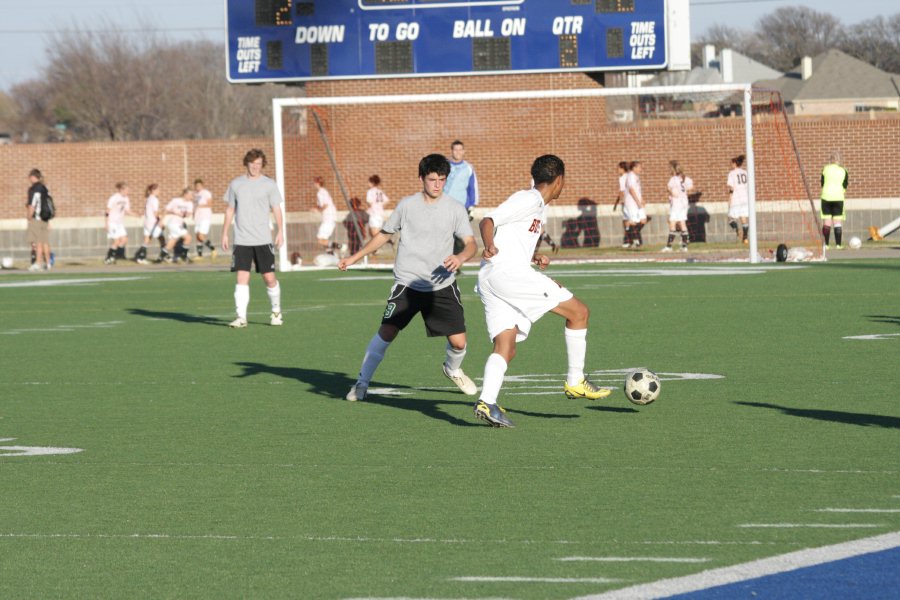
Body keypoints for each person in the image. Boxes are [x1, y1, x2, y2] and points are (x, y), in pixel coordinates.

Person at [473, 155, 611, 428]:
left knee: (506, 346)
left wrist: (534, 256)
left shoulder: (538, 207)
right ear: (559, 180)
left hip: (492, 277)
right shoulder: (529, 199)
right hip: (507, 274)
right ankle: (575, 380)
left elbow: (514, 236)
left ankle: (486, 402)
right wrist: (488, 245)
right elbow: (487, 220)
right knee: (579, 313)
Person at [338, 153, 478, 402]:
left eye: (442, 180)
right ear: (421, 178)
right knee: (387, 331)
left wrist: (460, 258)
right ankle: (361, 383)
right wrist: (354, 258)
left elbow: (470, 244)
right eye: (432, 179)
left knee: (459, 343)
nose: (437, 185)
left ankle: (452, 369)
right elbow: (383, 235)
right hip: (408, 283)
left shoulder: (455, 208)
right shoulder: (407, 205)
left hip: (441, 285)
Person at [221, 149, 285, 328]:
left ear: (262, 165)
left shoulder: (269, 184)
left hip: (263, 239)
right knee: (242, 278)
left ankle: (276, 311)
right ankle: (241, 317)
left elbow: (276, 209)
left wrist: (280, 231)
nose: (255, 167)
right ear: (246, 164)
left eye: (258, 164)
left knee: (269, 278)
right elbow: (230, 210)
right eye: (252, 164)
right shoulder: (236, 184)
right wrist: (225, 232)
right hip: (242, 239)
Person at [445, 140, 478, 255]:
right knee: (445, 236)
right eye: (455, 149)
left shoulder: (468, 168)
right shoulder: (445, 166)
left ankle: (455, 263)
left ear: (463, 151)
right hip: (445, 206)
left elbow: (472, 187)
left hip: (461, 207)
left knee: (460, 237)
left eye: (460, 150)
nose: (458, 152)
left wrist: (472, 206)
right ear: (452, 151)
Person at [663, 161, 694, 252]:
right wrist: (683, 193)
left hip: (676, 203)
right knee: (682, 223)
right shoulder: (685, 178)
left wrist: (672, 192)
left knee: (672, 223)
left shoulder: (673, 179)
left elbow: (668, 188)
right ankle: (684, 246)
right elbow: (690, 188)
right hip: (684, 203)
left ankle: (669, 246)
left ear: (673, 169)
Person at [820, 151, 849, 249]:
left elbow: (822, 183)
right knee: (837, 222)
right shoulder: (844, 170)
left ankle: (826, 245)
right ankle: (838, 245)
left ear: (830, 160)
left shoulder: (825, 169)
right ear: (839, 160)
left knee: (827, 221)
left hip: (826, 197)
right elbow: (845, 185)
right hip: (838, 197)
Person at [26, 168, 52, 272]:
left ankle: (38, 263)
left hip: (37, 218)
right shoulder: (44, 188)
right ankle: (48, 263)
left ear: (33, 177)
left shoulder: (34, 189)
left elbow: (33, 203)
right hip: (45, 218)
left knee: (37, 242)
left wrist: (29, 216)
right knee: (45, 241)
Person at [105, 182, 135, 264]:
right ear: (122, 190)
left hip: (119, 223)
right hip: (112, 222)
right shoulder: (114, 198)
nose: (128, 192)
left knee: (124, 240)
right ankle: (109, 257)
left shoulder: (126, 199)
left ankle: (115, 255)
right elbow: (107, 210)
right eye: (127, 190)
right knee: (117, 241)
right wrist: (106, 223)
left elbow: (127, 210)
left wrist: (136, 215)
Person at [162, 188, 195, 263]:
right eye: (190, 195)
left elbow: (189, 213)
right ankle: (183, 255)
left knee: (172, 241)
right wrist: (162, 220)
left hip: (180, 224)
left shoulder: (190, 203)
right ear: (185, 194)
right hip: (173, 223)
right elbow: (166, 209)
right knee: (188, 238)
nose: (191, 196)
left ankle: (162, 256)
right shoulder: (176, 201)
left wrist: (186, 214)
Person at [135, 183, 164, 264]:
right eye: (158, 189)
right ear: (153, 190)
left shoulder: (149, 198)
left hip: (147, 222)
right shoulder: (154, 199)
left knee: (147, 240)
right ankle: (164, 256)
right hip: (153, 223)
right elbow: (155, 213)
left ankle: (140, 257)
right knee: (162, 238)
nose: (159, 191)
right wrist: (160, 221)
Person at [623, 161, 647, 248]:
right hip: (631, 203)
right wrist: (637, 201)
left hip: (638, 202)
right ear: (634, 168)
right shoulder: (630, 176)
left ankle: (630, 237)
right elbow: (631, 190)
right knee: (633, 222)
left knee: (644, 220)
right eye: (640, 167)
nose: (641, 169)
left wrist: (642, 199)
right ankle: (635, 241)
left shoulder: (636, 176)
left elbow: (637, 190)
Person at [727, 155, 749, 244]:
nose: (731, 165)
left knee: (730, 218)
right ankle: (745, 238)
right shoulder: (745, 173)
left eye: (732, 163)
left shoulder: (732, 173)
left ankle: (737, 229)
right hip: (745, 199)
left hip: (736, 198)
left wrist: (730, 198)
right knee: (743, 218)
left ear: (735, 163)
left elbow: (731, 188)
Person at [313, 176, 339, 253]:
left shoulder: (320, 192)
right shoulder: (324, 191)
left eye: (315, 182)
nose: (314, 184)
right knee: (324, 239)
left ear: (317, 183)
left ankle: (340, 246)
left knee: (320, 239)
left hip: (328, 218)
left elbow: (325, 205)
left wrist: (317, 210)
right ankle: (330, 253)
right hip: (330, 218)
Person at [193, 178, 217, 258]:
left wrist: (200, 206)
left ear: (202, 185)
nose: (197, 187)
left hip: (205, 217)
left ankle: (213, 249)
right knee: (197, 236)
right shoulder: (195, 194)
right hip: (198, 217)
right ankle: (200, 255)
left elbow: (210, 204)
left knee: (201, 236)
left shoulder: (206, 193)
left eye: (199, 185)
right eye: (196, 186)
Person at [365, 174, 390, 241]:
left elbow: (369, 202)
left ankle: (388, 241)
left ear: (372, 183)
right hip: (380, 214)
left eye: (368, 182)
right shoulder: (380, 191)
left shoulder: (370, 191)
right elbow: (387, 201)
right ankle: (375, 249)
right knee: (373, 232)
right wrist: (380, 206)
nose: (367, 184)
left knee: (374, 234)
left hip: (374, 214)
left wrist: (372, 206)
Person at [613, 161, 630, 247]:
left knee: (627, 220)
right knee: (628, 220)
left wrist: (620, 201)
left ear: (623, 168)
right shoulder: (629, 176)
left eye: (619, 168)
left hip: (627, 202)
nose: (617, 170)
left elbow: (622, 191)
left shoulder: (623, 177)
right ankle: (632, 239)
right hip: (630, 201)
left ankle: (627, 240)